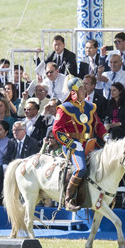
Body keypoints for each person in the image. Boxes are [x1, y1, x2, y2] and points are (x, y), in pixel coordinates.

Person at [51, 77, 108, 211]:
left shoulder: (90, 106)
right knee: (80, 168)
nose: (84, 90)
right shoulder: (64, 108)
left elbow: (98, 125)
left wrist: (106, 136)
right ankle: (68, 199)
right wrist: (71, 143)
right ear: (73, 92)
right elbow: (56, 130)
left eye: (84, 87)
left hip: (89, 143)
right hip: (73, 145)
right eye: (81, 88)